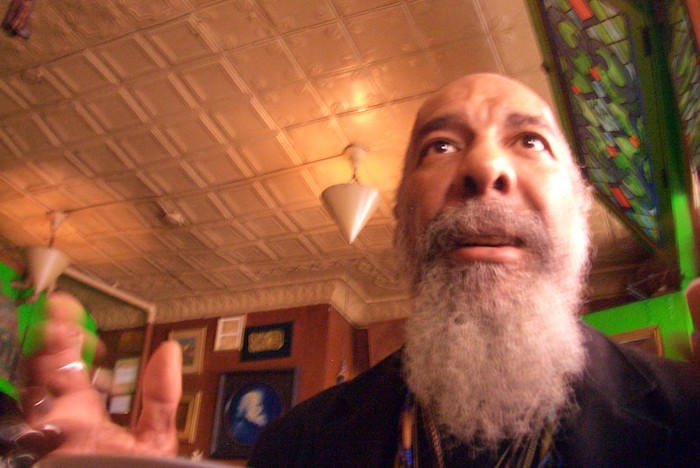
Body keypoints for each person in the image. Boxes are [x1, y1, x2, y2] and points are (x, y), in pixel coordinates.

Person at [15, 73, 700, 466]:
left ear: (579, 209)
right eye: (440, 145)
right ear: (403, 222)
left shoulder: (690, 416)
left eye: (530, 141)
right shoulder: (296, 447)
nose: (486, 167)